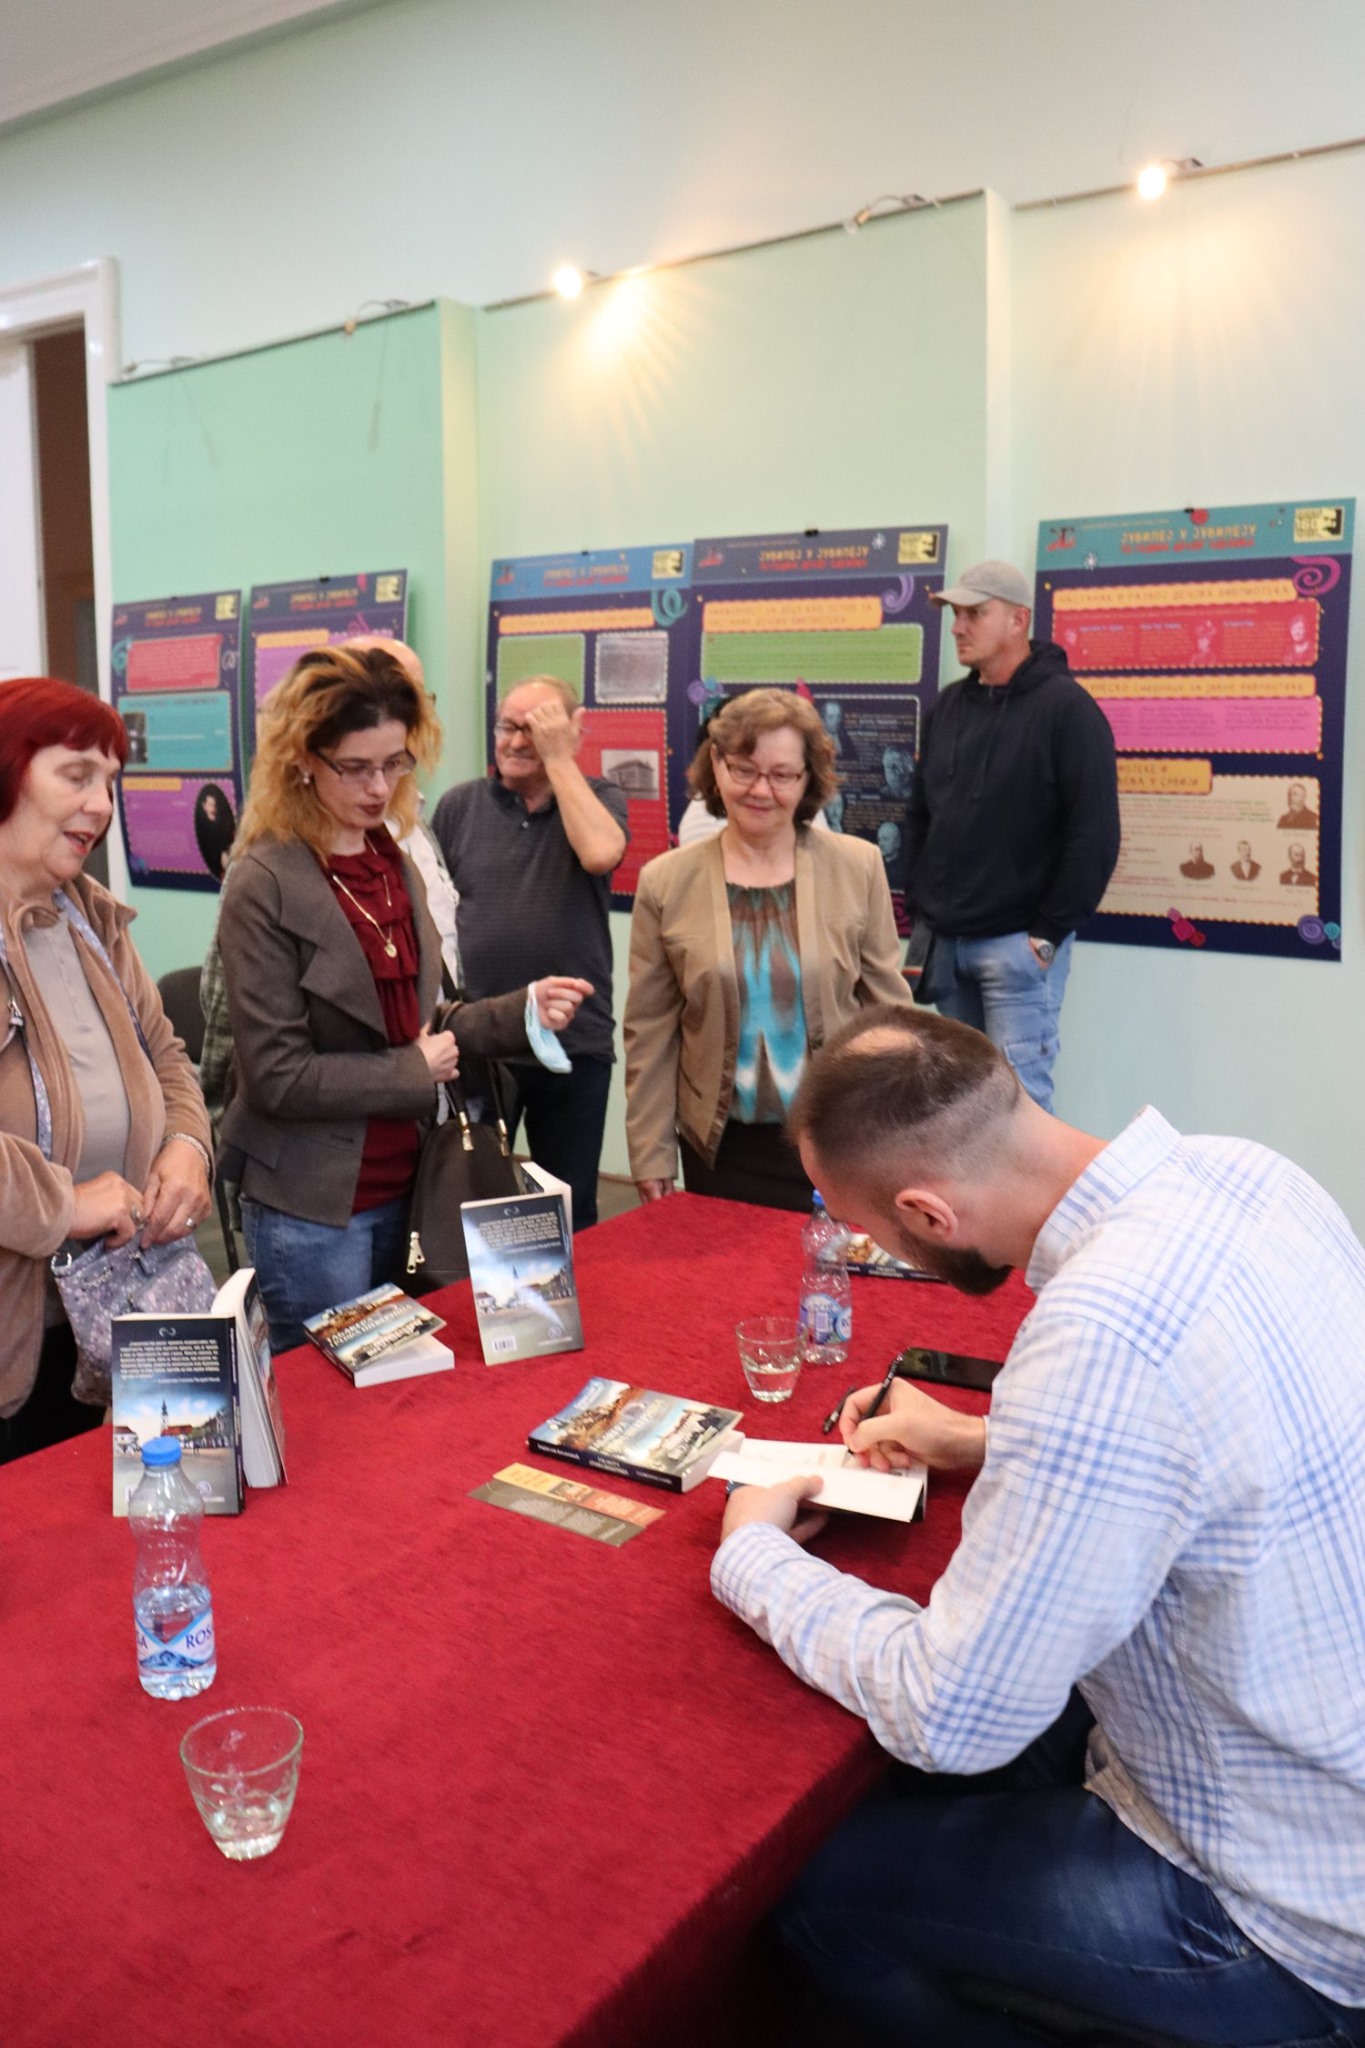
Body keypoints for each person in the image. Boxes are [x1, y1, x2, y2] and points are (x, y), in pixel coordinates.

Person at [712, 1003, 1365, 2045]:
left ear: (927, 1213)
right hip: (1333, 1789)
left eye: (871, 1228)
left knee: (818, 1896)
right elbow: (1222, 1430)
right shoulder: (1249, 1171)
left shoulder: (1099, 1334)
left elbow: (952, 1713)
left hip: (1283, 1915)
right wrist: (986, 1438)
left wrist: (751, 1551)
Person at [217, 646, 589, 1351]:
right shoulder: (264, 880)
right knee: (328, 1400)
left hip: (411, 1184)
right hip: (315, 1204)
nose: (379, 786)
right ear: (303, 759)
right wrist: (412, 1070)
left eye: (395, 763)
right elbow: (274, 1076)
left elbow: (416, 1023)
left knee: (409, 1389)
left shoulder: (391, 859)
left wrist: (518, 1013)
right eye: (355, 767)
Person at [0, 678, 212, 1460]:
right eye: (76, 775)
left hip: (108, 1308)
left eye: (111, 782)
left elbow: (167, 1054)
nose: (101, 805)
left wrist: (187, 1145)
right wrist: (65, 1203)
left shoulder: (90, 916)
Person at [624, 688, 911, 1212]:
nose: (761, 790)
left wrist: (899, 1137)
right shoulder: (665, 881)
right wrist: (650, 1154)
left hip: (837, 1142)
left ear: (808, 780)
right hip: (719, 1147)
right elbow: (651, 1033)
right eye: (744, 770)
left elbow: (889, 1014)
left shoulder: (859, 866)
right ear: (716, 764)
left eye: (782, 775)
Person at [904, 560, 1119, 1114]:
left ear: (1018, 620)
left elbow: (1094, 834)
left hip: (1017, 950)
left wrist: (1046, 936)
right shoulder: (948, 706)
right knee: (961, 1107)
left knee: (1020, 1110)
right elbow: (922, 814)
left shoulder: (1067, 710)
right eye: (955, 614)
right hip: (948, 946)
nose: (958, 627)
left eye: (975, 613)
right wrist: (924, 907)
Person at [432, 675, 628, 1230]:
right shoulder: (460, 806)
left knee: (568, 1207)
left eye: (536, 730)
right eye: (507, 727)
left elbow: (600, 853)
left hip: (574, 1042)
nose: (518, 741)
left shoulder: (598, 799)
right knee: (474, 1202)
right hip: (479, 1040)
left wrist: (559, 758)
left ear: (572, 732)